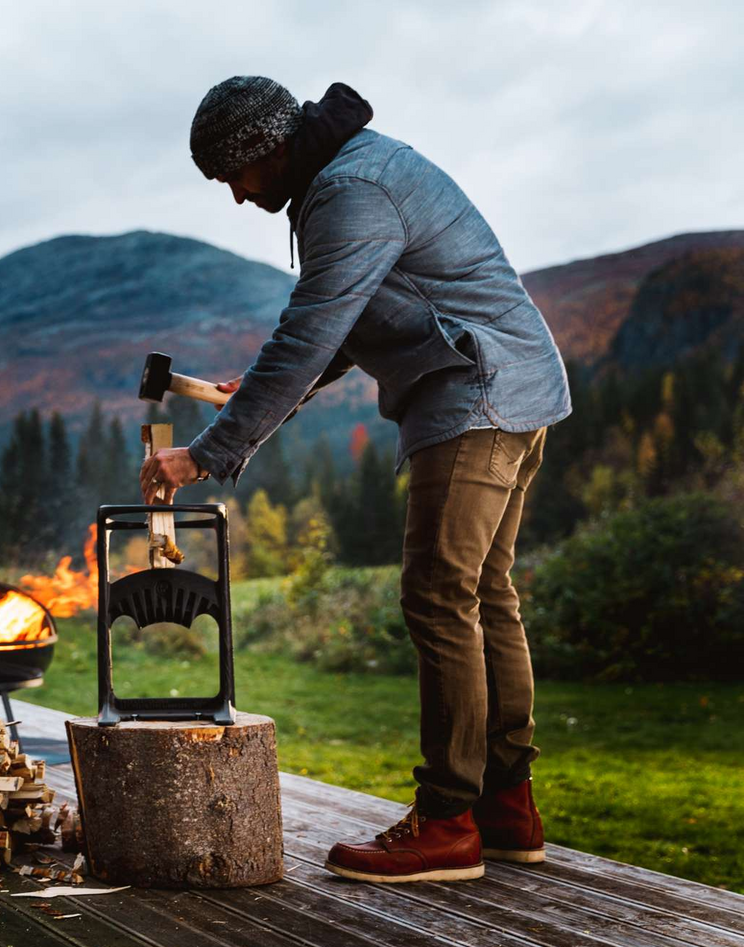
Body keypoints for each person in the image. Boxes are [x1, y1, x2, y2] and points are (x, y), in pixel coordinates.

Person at [141, 78, 570, 883]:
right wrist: (271, 390)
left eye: (233, 177)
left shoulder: (348, 191)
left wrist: (202, 453)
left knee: (440, 597)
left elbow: (311, 328)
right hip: (511, 387)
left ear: (266, 150)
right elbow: (343, 329)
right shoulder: (345, 174)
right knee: (484, 593)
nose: (236, 198)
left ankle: (448, 821)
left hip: (473, 394)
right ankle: (506, 807)